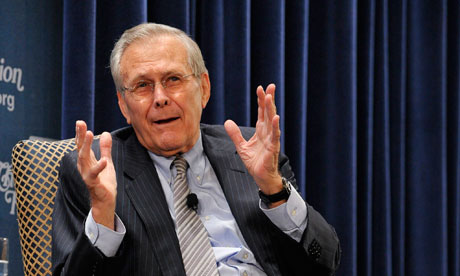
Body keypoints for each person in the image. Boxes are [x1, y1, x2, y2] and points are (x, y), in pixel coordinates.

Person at [52, 23, 341, 276]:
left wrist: (275, 190)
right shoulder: (97, 172)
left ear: (203, 88)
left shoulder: (250, 152)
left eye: (173, 80)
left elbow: (324, 262)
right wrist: (103, 214)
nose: (160, 98)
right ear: (123, 106)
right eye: (142, 86)